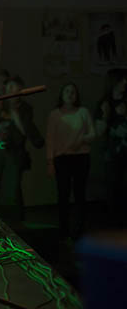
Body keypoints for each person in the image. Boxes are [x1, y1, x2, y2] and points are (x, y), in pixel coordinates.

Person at [0, 75, 44, 222]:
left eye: (12, 87)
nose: (8, 90)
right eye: (7, 87)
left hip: (13, 153)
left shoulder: (25, 108)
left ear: (20, 89)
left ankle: (13, 223)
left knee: (11, 190)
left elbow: (26, 131)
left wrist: (14, 113)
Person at [46, 82, 95, 240]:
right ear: (61, 94)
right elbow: (50, 140)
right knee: (63, 195)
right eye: (67, 91)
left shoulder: (83, 112)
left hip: (81, 157)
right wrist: (50, 162)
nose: (70, 94)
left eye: (73, 91)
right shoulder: (55, 114)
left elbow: (92, 134)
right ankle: (64, 229)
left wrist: (80, 140)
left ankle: (81, 228)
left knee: (80, 194)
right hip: (62, 158)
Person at [96, 68, 127, 225]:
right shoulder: (105, 103)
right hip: (112, 152)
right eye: (121, 80)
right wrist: (106, 116)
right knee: (113, 187)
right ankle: (114, 223)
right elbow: (98, 132)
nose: (125, 83)